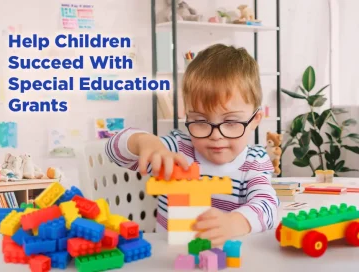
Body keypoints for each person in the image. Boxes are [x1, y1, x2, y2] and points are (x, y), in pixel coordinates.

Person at [105, 44, 278, 246]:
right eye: (201, 121)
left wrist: (233, 223)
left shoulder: (254, 162)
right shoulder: (175, 149)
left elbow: (267, 206)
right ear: (187, 116)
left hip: (224, 258)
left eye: (231, 122)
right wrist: (145, 142)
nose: (215, 135)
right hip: (167, 258)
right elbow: (113, 149)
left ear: (255, 120)